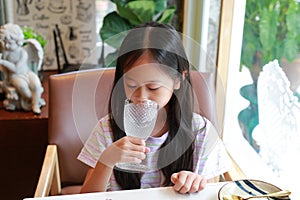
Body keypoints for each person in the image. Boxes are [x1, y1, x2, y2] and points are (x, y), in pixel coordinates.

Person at [77, 22, 229, 194]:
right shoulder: (106, 130)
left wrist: (196, 183)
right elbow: (86, 197)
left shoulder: (201, 132)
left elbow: (212, 193)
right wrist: (106, 161)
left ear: (179, 79)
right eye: (131, 84)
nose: (141, 97)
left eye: (153, 88)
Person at [0, 23, 45, 114]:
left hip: (27, 73)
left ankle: (35, 104)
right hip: (14, 77)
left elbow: (16, 68)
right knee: (23, 88)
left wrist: (2, 62)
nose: (6, 45)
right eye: (4, 42)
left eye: (9, 43)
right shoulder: (5, 53)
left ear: (18, 41)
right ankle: (32, 99)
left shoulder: (23, 52)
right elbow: (7, 71)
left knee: (36, 85)